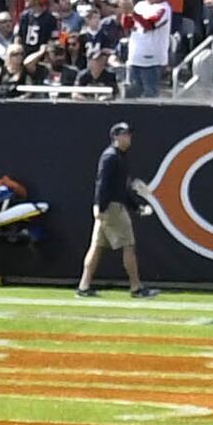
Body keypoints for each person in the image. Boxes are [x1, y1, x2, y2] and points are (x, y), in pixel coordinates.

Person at [78, 121, 155, 297]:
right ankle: (136, 287)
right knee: (128, 245)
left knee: (96, 247)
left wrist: (137, 207)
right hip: (111, 208)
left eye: (129, 134)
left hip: (110, 207)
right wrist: (100, 205)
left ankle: (83, 286)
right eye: (125, 134)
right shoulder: (110, 156)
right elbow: (102, 183)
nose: (129, 137)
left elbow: (122, 189)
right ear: (116, 137)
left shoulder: (120, 157)